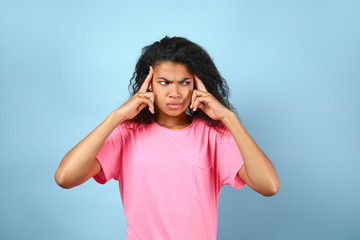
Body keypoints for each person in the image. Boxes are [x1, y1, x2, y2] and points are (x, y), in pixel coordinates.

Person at [54, 36, 280, 240]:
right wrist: (116, 116)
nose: (175, 93)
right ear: (149, 83)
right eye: (164, 82)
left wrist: (229, 118)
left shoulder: (214, 137)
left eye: (184, 82)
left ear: (198, 85)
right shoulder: (127, 134)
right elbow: (65, 177)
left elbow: (269, 186)